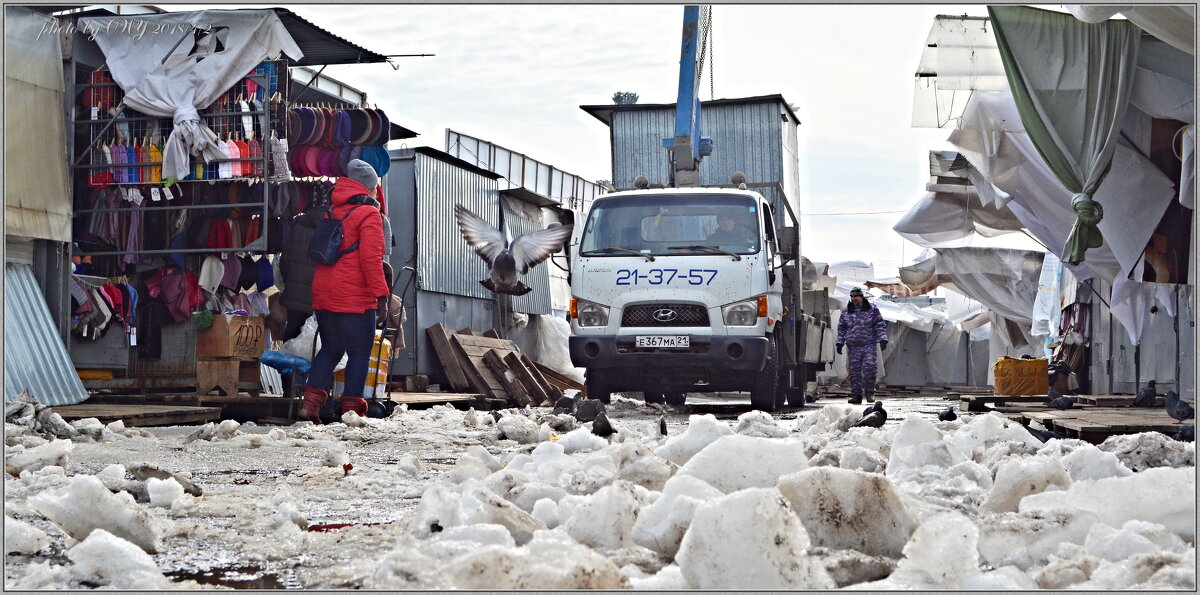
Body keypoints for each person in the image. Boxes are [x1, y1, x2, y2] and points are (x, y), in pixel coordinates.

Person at [298, 159, 391, 421]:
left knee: (330, 349)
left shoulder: (332, 211)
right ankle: (351, 411)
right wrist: (382, 294)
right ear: (369, 188)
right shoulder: (369, 214)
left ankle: (310, 405)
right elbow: (370, 260)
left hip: (325, 293)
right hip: (355, 297)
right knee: (360, 352)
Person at [836, 287, 888, 404]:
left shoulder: (872, 309)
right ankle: (856, 396)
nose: (854, 298)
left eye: (856, 296)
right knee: (854, 372)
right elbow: (842, 329)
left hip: (869, 345)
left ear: (861, 297)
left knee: (870, 368)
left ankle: (870, 393)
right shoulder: (846, 312)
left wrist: (883, 338)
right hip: (853, 346)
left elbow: (879, 324)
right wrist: (840, 343)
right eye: (852, 296)